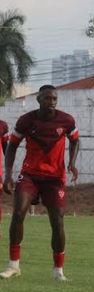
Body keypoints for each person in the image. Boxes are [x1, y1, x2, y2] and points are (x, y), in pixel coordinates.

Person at [0, 85, 80, 281]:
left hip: (54, 179)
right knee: (18, 213)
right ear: (39, 100)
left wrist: (71, 163)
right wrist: (8, 174)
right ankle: (13, 266)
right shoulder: (27, 120)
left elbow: (75, 140)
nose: (51, 102)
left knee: (57, 220)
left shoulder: (66, 120)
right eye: (47, 99)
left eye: (54, 99)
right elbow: (12, 146)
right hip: (30, 175)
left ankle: (58, 271)